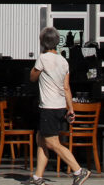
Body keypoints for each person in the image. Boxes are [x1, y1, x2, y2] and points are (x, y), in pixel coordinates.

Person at [28, 26, 90, 185]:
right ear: (57, 42)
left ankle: (78, 170)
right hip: (60, 106)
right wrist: (70, 109)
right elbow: (67, 87)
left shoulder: (42, 58)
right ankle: (38, 177)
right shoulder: (63, 61)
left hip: (48, 107)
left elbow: (32, 78)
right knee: (41, 140)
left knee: (52, 142)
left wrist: (37, 69)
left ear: (42, 42)